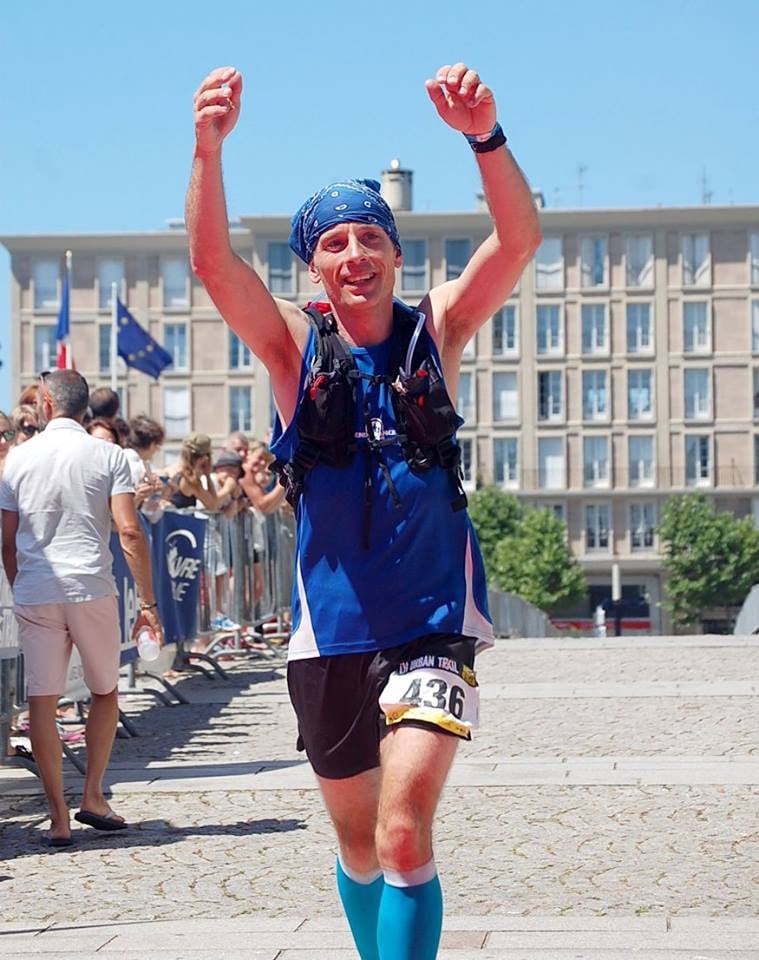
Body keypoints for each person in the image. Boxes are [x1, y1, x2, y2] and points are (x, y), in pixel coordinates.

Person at [187, 62, 540, 959]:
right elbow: (213, 265)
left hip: (431, 624)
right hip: (330, 633)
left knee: (403, 834)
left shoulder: (437, 330)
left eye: (370, 237)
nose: (355, 254)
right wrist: (208, 150)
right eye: (335, 243)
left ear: (394, 253)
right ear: (314, 266)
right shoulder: (293, 349)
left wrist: (484, 137)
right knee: (357, 846)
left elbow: (517, 240)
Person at [0, 370, 163, 846]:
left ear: (47, 403)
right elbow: (128, 531)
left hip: (37, 588)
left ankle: (57, 817)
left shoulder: (18, 458)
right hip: (90, 583)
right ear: (83, 407)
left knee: (42, 701)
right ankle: (93, 795)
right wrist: (148, 602)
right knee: (105, 691)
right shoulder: (107, 454)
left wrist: (21, 582)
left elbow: (6, 539)